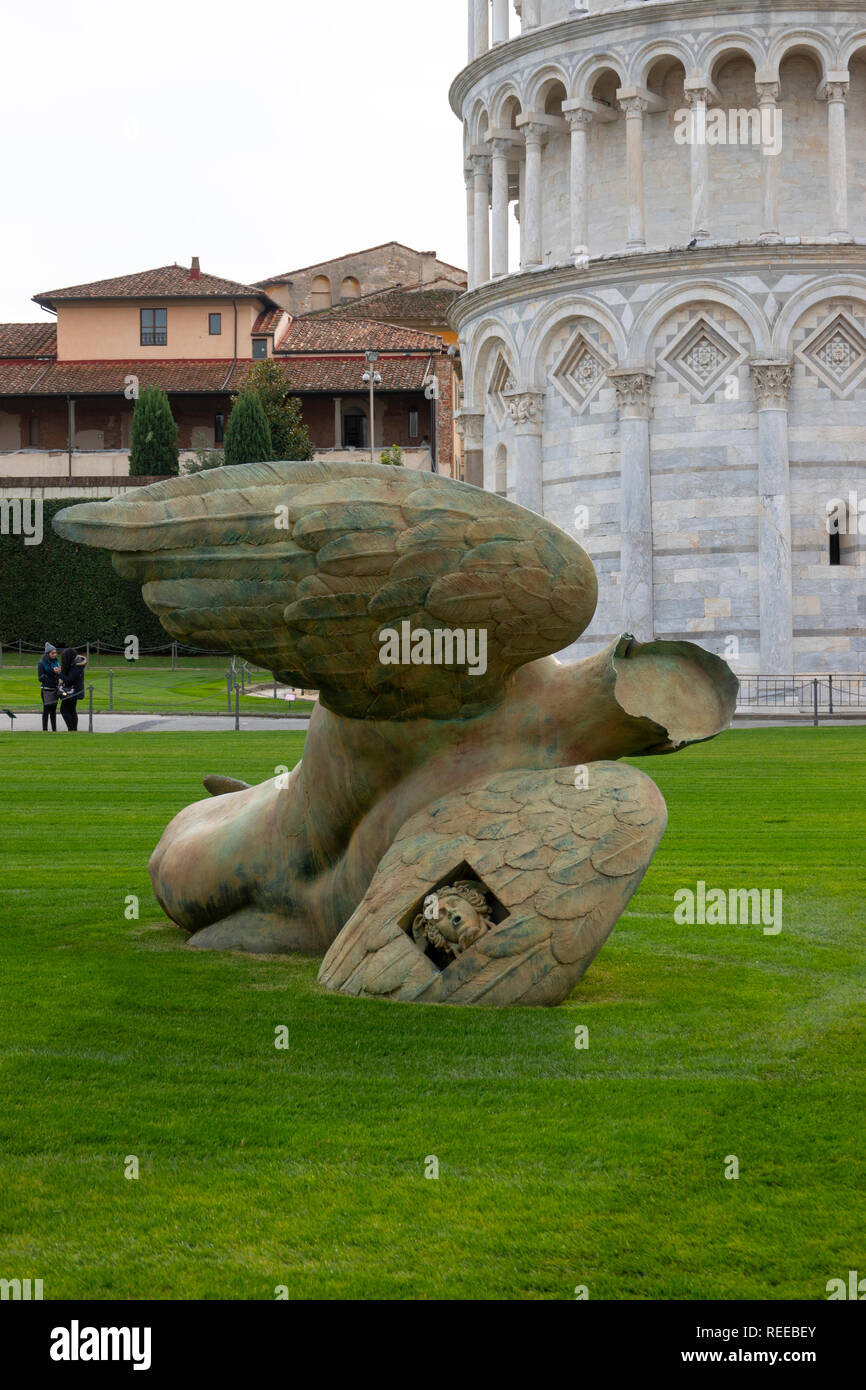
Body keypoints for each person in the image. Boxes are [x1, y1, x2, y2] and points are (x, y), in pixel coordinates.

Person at [58, 647, 87, 731]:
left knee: (64, 710)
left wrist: (59, 673)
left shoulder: (76, 666)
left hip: (72, 691)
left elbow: (69, 680)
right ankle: (73, 729)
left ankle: (71, 729)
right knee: (71, 709)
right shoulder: (76, 664)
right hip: (73, 690)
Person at [37, 642, 60, 732]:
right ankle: (45, 730)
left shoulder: (56, 662)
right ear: (47, 653)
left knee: (54, 711)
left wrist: (59, 673)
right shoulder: (41, 663)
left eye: (55, 653)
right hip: (46, 690)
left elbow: (58, 674)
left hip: (55, 689)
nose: (55, 654)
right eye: (52, 653)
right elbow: (40, 678)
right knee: (46, 710)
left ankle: (54, 730)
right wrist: (53, 675)